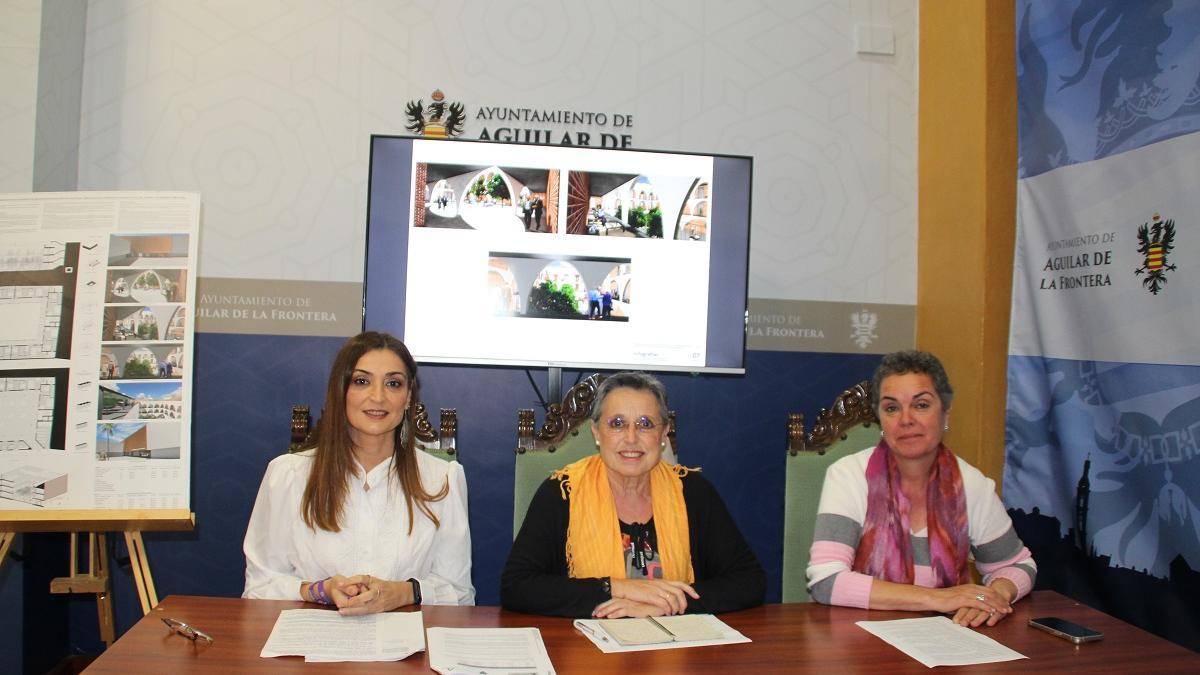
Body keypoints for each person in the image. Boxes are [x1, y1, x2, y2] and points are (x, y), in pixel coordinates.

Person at [243, 331, 474, 613]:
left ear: (409, 396)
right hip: (312, 643)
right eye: (362, 381)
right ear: (341, 391)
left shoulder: (442, 480)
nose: (378, 397)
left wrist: (404, 592)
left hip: (407, 646)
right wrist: (320, 590)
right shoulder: (288, 475)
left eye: (393, 383)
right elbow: (259, 587)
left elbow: (460, 595)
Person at [501, 371, 765, 617]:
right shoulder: (561, 493)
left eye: (645, 424)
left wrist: (666, 604)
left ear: (663, 434)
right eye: (617, 424)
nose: (631, 438)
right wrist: (616, 588)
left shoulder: (693, 492)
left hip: (678, 651)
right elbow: (516, 586)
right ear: (596, 432)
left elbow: (749, 581)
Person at [807, 350, 1036, 627]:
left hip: (948, 639)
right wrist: (938, 599)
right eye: (892, 408)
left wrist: (993, 597)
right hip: (857, 641)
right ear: (881, 420)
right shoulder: (849, 475)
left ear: (945, 413)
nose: (906, 419)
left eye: (921, 405)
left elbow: (1018, 565)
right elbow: (826, 580)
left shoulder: (971, 484)